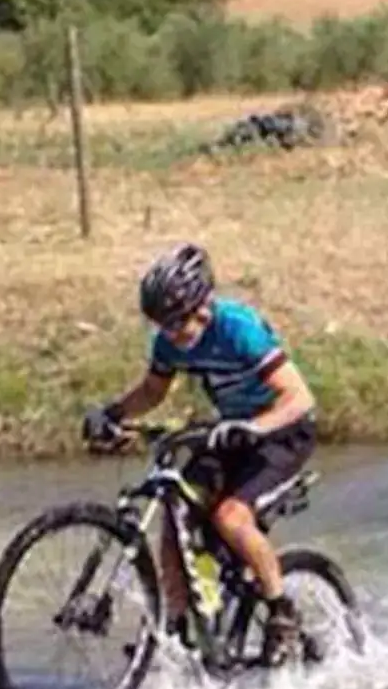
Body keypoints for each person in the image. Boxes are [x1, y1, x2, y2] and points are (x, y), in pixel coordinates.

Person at [81, 242, 319, 661]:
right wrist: (113, 412)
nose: (171, 335)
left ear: (203, 307)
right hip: (229, 434)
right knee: (175, 515)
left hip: (283, 434)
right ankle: (176, 628)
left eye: (176, 324)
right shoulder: (170, 342)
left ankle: (281, 609)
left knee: (231, 516)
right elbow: (154, 390)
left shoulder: (238, 328)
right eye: (161, 325)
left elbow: (299, 398)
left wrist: (255, 427)